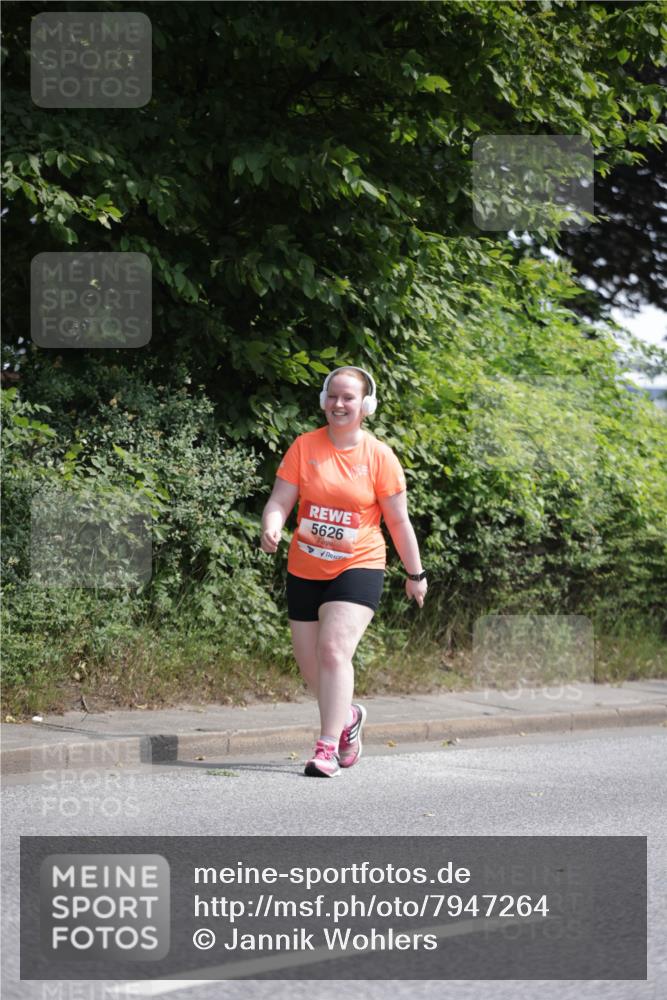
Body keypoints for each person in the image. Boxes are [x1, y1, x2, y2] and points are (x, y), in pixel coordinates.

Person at [260, 366, 427, 777]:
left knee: (333, 650)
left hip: (359, 564)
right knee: (310, 665)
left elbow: (399, 522)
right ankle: (348, 719)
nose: (338, 404)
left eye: (348, 398)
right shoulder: (305, 446)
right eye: (332, 396)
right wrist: (272, 523)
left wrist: (415, 573)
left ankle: (327, 748)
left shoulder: (379, 457)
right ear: (323, 400)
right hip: (304, 566)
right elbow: (280, 499)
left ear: (365, 405)